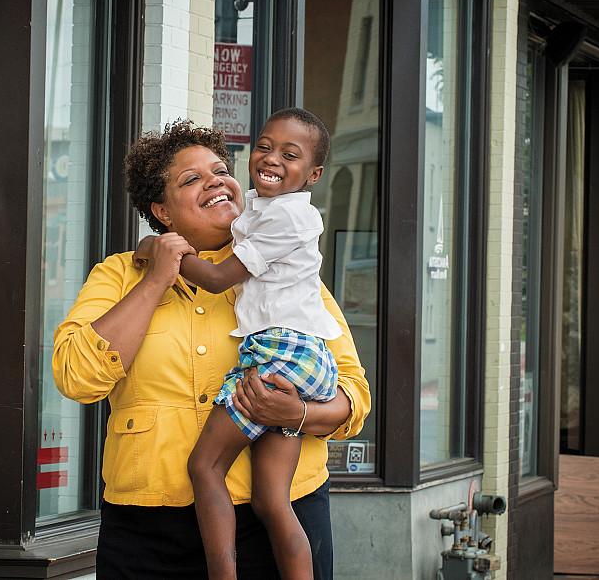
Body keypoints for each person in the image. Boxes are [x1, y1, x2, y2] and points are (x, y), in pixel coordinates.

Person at [52, 119, 370, 579]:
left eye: (220, 170)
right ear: (161, 210)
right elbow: (76, 376)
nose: (216, 182)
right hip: (148, 532)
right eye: (192, 178)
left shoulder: (286, 274)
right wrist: (159, 276)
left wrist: (297, 415)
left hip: (272, 522)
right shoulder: (120, 275)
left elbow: (353, 396)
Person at [134, 108, 338, 580]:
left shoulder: (288, 217)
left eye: (290, 154)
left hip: (280, 354)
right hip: (299, 355)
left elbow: (219, 277)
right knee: (272, 501)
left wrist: (160, 249)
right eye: (264, 146)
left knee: (206, 469)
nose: (270, 159)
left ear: (313, 174)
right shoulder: (263, 209)